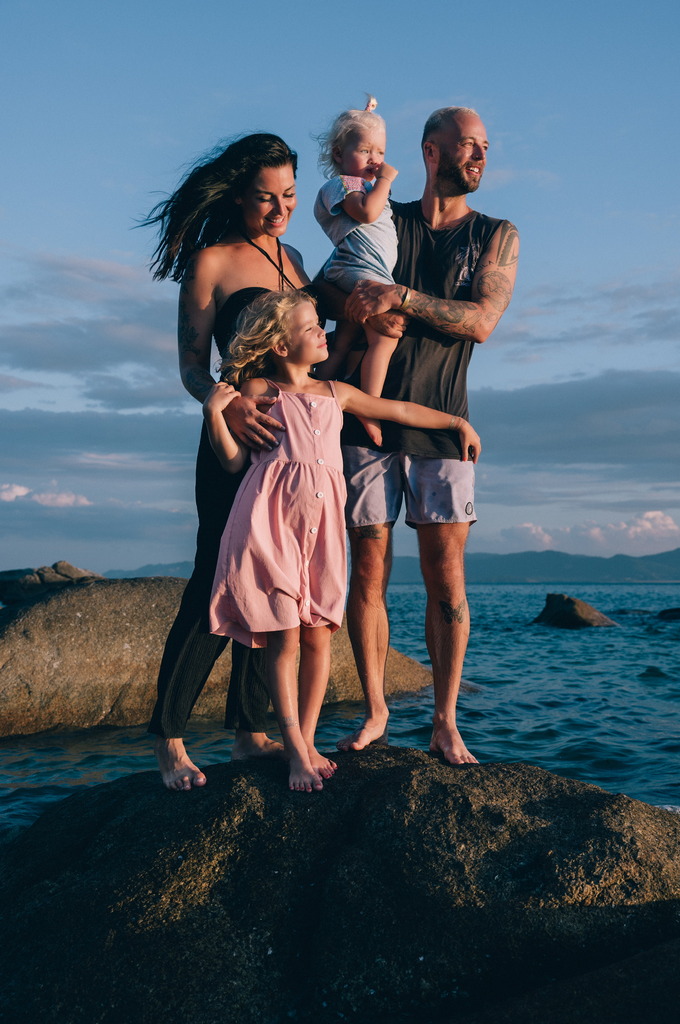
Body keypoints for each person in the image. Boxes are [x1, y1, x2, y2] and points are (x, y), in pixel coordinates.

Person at [202, 290, 481, 792]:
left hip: (322, 532)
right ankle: (294, 749)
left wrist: (456, 421)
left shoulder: (336, 392)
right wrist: (214, 416)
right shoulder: (258, 389)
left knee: (317, 634)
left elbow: (396, 409)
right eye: (311, 328)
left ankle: (305, 740)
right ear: (282, 347)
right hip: (270, 527)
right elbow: (231, 462)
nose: (323, 334)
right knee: (285, 637)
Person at [336, 106, 519, 764]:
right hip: (363, 422)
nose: (479, 155)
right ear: (430, 152)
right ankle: (376, 710)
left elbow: (481, 321)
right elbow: (341, 267)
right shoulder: (386, 221)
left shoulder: (495, 235)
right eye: (467, 144)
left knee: (446, 581)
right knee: (367, 575)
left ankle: (444, 720)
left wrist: (399, 299)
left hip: (444, 425)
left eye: (485, 146)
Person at [142, 133, 312, 791]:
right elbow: (190, 365)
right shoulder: (211, 261)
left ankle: (249, 730)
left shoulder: (295, 258)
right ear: (238, 196)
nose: (279, 210)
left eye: (289, 195)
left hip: (288, 447)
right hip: (232, 442)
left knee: (268, 580)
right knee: (215, 576)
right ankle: (169, 738)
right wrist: (222, 399)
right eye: (265, 198)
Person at [314, 98, 400, 446]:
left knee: (346, 339)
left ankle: (316, 393)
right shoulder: (342, 186)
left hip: (367, 270)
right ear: (338, 154)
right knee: (386, 336)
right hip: (358, 271)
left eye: (379, 151)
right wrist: (386, 180)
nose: (375, 160)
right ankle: (369, 407)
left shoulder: (363, 185)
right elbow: (366, 213)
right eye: (364, 150)